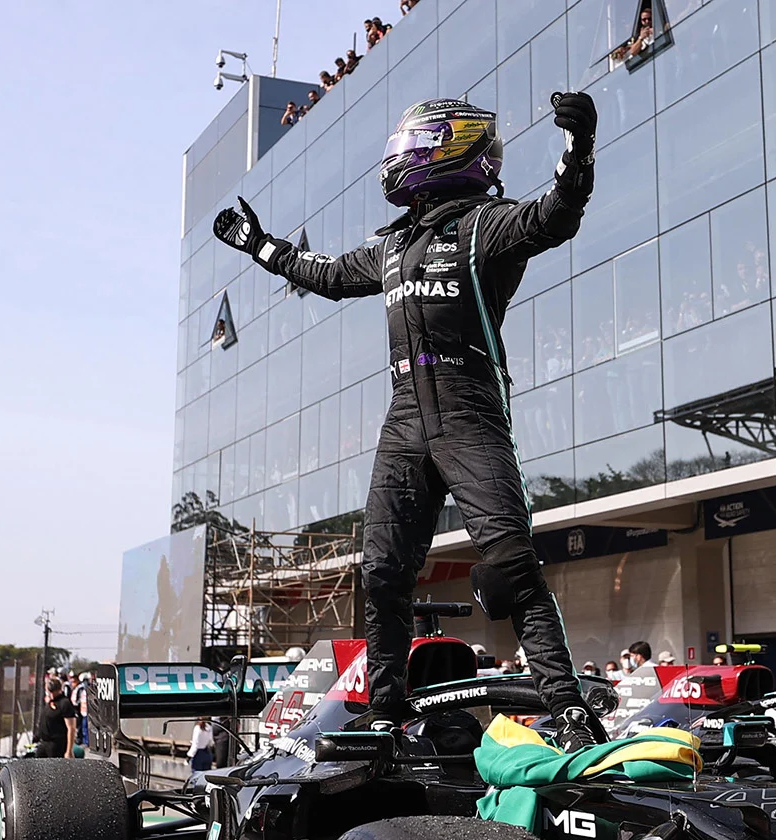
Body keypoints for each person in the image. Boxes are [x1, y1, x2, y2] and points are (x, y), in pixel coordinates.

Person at [215, 92, 602, 747]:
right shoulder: (392, 248)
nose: (399, 157)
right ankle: (387, 710)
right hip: (403, 429)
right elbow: (330, 275)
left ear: (446, 150)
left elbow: (556, 216)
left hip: (470, 417)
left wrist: (579, 147)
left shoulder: (487, 226)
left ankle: (567, 709)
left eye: (413, 146)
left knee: (511, 567)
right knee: (384, 572)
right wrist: (259, 247)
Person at [33, 685, 77, 759]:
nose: (52, 694)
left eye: (54, 691)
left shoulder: (64, 703)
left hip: (57, 744)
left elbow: (71, 728)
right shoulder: (50, 702)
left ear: (59, 690)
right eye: (50, 692)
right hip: (44, 742)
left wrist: (69, 750)